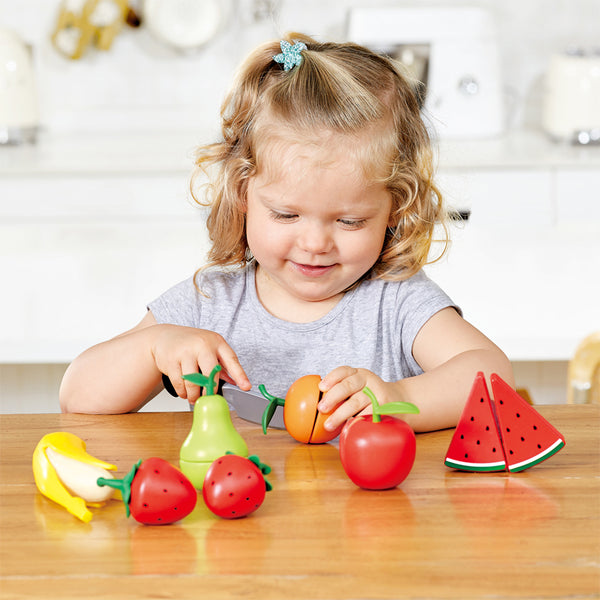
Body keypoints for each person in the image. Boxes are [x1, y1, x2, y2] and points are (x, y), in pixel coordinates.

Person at [59, 33, 514, 432]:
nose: (315, 244)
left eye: (349, 221)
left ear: (396, 208)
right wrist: (154, 347)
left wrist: (399, 400)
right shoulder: (209, 302)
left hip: (369, 525)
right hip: (242, 521)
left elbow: (493, 377)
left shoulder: (395, 301)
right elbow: (78, 396)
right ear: (242, 195)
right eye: (286, 215)